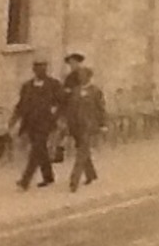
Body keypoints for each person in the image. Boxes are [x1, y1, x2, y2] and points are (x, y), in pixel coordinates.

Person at [13, 54, 63, 190]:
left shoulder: (54, 85)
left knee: (36, 150)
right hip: (30, 123)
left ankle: (25, 181)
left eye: (43, 67)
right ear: (34, 69)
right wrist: (13, 120)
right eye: (38, 67)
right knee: (41, 150)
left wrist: (55, 117)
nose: (41, 70)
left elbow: (62, 103)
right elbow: (21, 104)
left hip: (45, 123)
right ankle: (48, 177)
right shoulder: (27, 86)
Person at [65, 64, 107, 193]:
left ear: (89, 77)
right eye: (79, 76)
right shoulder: (75, 91)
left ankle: (74, 181)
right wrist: (68, 125)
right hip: (76, 126)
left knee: (81, 152)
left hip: (89, 126)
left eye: (83, 75)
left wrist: (103, 124)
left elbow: (101, 109)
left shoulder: (95, 91)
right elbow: (71, 110)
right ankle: (90, 174)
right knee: (83, 150)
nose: (81, 78)